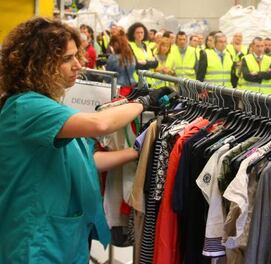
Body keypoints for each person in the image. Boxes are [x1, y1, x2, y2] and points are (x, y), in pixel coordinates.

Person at [0, 17, 173, 263]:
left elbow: (87, 162)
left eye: (77, 56)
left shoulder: (48, 107)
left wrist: (137, 152)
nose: (79, 65)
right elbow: (100, 124)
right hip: (35, 238)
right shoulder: (26, 106)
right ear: (38, 64)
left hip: (64, 237)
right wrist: (143, 103)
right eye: (67, 59)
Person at [197, 33, 237, 108]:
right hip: (211, 91)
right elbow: (200, 75)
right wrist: (200, 90)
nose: (223, 44)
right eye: (220, 42)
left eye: (225, 42)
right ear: (215, 43)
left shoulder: (229, 55)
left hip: (227, 92)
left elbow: (232, 75)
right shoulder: (206, 54)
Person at [106, 30, 137, 94]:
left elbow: (107, 78)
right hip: (131, 88)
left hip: (118, 89)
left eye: (112, 45)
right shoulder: (131, 57)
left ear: (115, 44)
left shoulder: (112, 58)